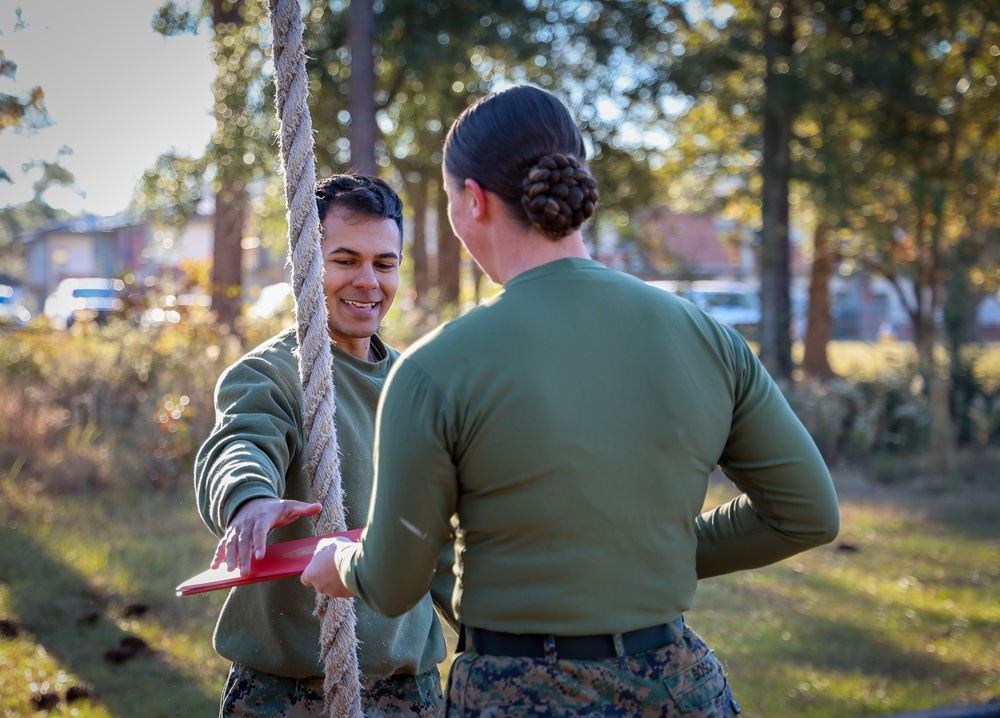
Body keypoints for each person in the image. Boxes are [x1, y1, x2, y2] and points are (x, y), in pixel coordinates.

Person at [301, 86, 841, 717]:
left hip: (517, 695)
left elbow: (392, 583)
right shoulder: (708, 336)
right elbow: (807, 514)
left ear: (471, 200)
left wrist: (339, 561)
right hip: (679, 687)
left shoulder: (434, 367)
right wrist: (639, 550)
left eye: (449, 201)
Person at [195, 173, 455, 717]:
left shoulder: (420, 387)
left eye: (384, 264)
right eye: (345, 260)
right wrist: (250, 498)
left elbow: (444, 541)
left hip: (408, 693)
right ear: (304, 262)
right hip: (287, 694)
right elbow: (241, 441)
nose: (367, 281)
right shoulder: (272, 374)